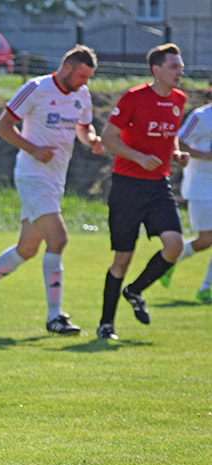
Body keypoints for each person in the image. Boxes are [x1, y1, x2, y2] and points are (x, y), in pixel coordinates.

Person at [0, 45, 103, 335]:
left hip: (56, 178)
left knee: (27, 248)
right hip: (32, 175)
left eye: (88, 77)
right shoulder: (36, 88)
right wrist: (33, 148)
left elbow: (83, 128)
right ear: (67, 68)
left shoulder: (82, 95)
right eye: (82, 76)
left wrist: (91, 139)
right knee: (58, 239)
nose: (84, 82)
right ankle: (54, 317)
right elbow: (3, 127)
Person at [96, 43, 189, 340]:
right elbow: (108, 138)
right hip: (128, 186)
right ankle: (106, 324)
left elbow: (169, 135)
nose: (180, 71)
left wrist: (175, 153)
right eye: (174, 67)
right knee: (123, 258)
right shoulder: (134, 98)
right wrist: (138, 157)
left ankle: (135, 291)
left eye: (181, 67)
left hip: (158, 185)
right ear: (156, 70)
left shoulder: (179, 99)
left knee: (174, 245)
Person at [158, 75, 212, 304]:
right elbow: (178, 140)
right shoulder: (201, 116)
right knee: (205, 240)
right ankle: (170, 261)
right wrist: (204, 155)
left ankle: (206, 288)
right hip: (201, 186)